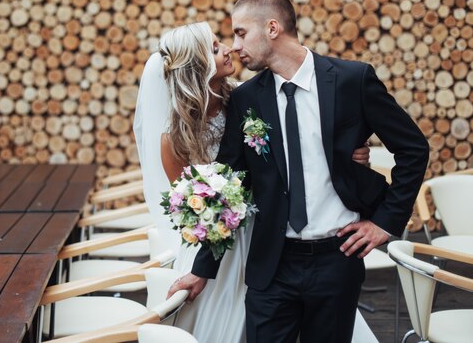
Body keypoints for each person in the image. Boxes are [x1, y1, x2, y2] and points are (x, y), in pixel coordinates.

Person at [168, 0, 430, 343]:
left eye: (241, 32)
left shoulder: (353, 80)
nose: (235, 45)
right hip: (272, 266)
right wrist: (202, 270)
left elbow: (413, 148)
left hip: (337, 259)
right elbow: (229, 187)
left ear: (272, 28)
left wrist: (385, 222)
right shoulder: (246, 98)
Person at [134, 21, 379, 343]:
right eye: (215, 47)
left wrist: (350, 153)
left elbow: (300, 144)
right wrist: (208, 233)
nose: (229, 49)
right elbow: (189, 204)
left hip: (274, 228)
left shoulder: (248, 97)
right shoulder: (175, 137)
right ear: (196, 64)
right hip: (222, 238)